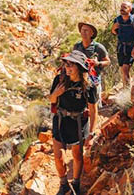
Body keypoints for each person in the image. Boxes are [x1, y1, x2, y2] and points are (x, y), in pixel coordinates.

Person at [49, 50, 99, 195]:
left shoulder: (89, 86)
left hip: (78, 123)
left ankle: (76, 183)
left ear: (79, 67)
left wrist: (91, 132)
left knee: (77, 155)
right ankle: (63, 183)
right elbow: (52, 100)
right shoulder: (59, 80)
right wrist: (56, 94)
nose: (67, 67)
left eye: (71, 64)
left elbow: (93, 110)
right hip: (60, 120)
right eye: (66, 64)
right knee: (58, 157)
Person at [73, 21, 110, 105]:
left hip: (94, 79)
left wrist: (97, 63)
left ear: (91, 33)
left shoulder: (98, 47)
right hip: (80, 79)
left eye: (86, 30)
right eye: (82, 30)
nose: (83, 32)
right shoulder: (77, 46)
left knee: (95, 102)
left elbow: (108, 61)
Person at [111, 1, 134, 86]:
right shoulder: (118, 20)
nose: (122, 9)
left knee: (125, 69)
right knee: (123, 71)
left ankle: (126, 91)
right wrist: (113, 28)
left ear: (130, 9)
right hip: (120, 48)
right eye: (121, 7)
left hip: (131, 48)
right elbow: (114, 32)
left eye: (125, 7)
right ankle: (128, 87)